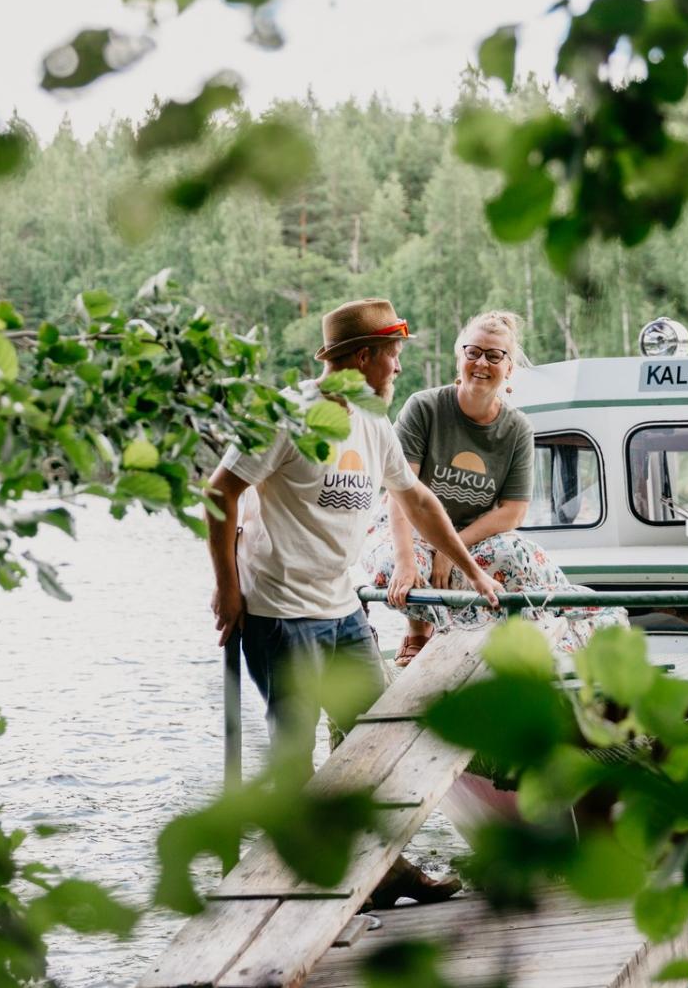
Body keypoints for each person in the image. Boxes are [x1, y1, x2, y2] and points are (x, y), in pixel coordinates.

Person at [205, 298, 502, 761]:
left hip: (343, 610)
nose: (399, 368)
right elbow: (220, 493)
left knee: (381, 736)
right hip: (281, 614)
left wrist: (475, 572)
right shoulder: (283, 414)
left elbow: (418, 501)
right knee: (294, 753)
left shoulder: (372, 421)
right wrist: (228, 587)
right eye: (393, 355)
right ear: (364, 358)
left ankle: (353, 831)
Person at [367, 310, 624, 664]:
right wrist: (406, 559)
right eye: (473, 352)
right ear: (459, 357)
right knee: (396, 569)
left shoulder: (517, 427)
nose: (481, 363)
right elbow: (401, 490)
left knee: (514, 559)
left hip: (473, 532)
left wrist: (450, 549)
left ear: (509, 368)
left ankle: (550, 630)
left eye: (494, 355)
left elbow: (512, 511)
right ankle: (420, 633)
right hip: (411, 521)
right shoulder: (424, 407)